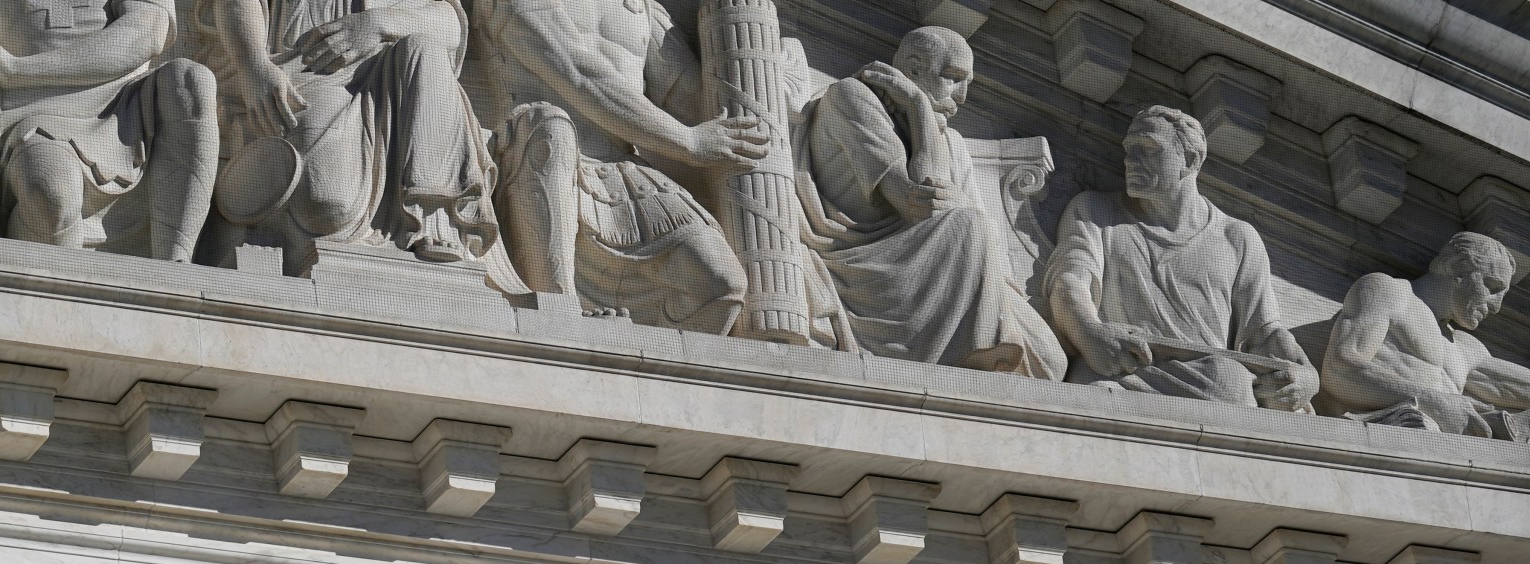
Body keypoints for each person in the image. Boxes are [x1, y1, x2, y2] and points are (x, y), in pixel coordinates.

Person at [467, 0, 767, 329]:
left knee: (722, 284)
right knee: (553, 128)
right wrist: (688, 141)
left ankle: (643, 365)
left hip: (621, 172)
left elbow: (697, 104)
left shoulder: (644, 10)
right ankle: (559, 310)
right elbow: (577, 73)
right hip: (533, 160)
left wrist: (771, 85)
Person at [798, 26, 1062, 376]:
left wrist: (922, 115)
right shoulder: (851, 97)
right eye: (953, 77)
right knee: (968, 224)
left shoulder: (950, 142)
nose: (963, 95)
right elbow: (920, 202)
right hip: (867, 263)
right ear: (914, 68)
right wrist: (920, 108)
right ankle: (969, 360)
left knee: (1050, 362)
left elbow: (989, 248)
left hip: (939, 264)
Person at [1046, 104, 1315, 410]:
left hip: (1207, 379)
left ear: (1190, 159)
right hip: (1122, 369)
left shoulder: (1237, 238)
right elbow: (1069, 282)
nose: (1129, 161)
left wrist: (1307, 378)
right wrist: (1088, 332)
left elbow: (1264, 332)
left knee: (1230, 383)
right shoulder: (1093, 211)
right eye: (1128, 149)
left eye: (1147, 148)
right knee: (1089, 389)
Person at [198, 0, 493, 271]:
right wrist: (254, 67)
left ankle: (432, 215)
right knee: (326, 203)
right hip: (302, 76)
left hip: (388, 78)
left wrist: (376, 24)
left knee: (425, 48)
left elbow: (449, 22)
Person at [0, 0, 217, 260]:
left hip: (122, 107)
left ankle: (176, 268)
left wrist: (17, 70)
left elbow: (145, 34)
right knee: (52, 193)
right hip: (30, 113)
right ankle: (55, 293)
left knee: (190, 81)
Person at [1321, 231, 1530, 440]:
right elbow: (1339, 369)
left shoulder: (1467, 347)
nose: (1496, 306)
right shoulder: (1389, 292)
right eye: (1491, 286)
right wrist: (1438, 403)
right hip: (1389, 436)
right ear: (1458, 268)